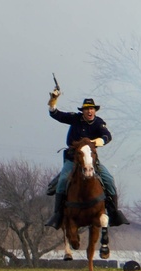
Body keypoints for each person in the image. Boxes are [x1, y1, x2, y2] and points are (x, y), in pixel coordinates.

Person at [46, 92, 129, 228]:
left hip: (91, 160)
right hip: (72, 159)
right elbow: (55, 114)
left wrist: (95, 142)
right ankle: (58, 215)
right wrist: (53, 99)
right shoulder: (75, 119)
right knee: (62, 181)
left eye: (91, 109)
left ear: (94, 111)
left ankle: (114, 213)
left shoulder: (99, 123)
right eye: (86, 109)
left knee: (108, 179)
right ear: (83, 111)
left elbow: (107, 136)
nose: (89, 111)